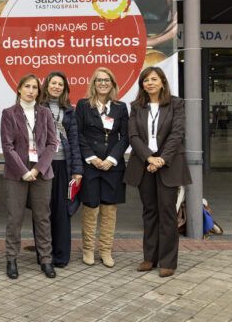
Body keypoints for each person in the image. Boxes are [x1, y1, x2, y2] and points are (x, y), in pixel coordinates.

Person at [125, 66, 192, 278]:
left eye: (154, 79)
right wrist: (149, 158)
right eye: (145, 80)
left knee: (167, 213)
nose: (150, 83)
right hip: (145, 165)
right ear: (142, 85)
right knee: (150, 212)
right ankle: (149, 258)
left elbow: (177, 133)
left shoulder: (176, 104)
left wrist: (161, 159)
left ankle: (168, 261)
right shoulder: (137, 106)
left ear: (162, 81)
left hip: (169, 164)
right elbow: (133, 136)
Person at [1, 74, 58, 279]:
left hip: (41, 173)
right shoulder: (9, 113)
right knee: (14, 218)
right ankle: (11, 259)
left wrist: (37, 169)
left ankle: (46, 259)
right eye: (27, 86)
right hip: (16, 174)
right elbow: (7, 147)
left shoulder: (45, 113)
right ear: (19, 89)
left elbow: (52, 144)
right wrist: (24, 171)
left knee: (42, 218)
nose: (31, 90)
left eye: (35, 87)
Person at [75, 67, 129, 268]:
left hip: (112, 167)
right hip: (91, 166)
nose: (103, 83)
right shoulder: (83, 105)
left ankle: (106, 250)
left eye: (107, 80)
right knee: (90, 208)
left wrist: (112, 159)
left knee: (109, 209)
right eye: (99, 80)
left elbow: (125, 137)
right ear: (93, 83)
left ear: (113, 84)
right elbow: (78, 135)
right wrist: (91, 157)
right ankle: (88, 249)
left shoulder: (120, 107)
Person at [38, 71, 83, 268]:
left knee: (62, 211)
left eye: (60, 84)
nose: (56, 87)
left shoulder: (69, 111)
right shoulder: (38, 107)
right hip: (44, 166)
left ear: (64, 89)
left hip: (64, 165)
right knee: (43, 212)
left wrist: (77, 169)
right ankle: (44, 254)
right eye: (53, 83)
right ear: (46, 85)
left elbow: (74, 141)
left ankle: (61, 255)